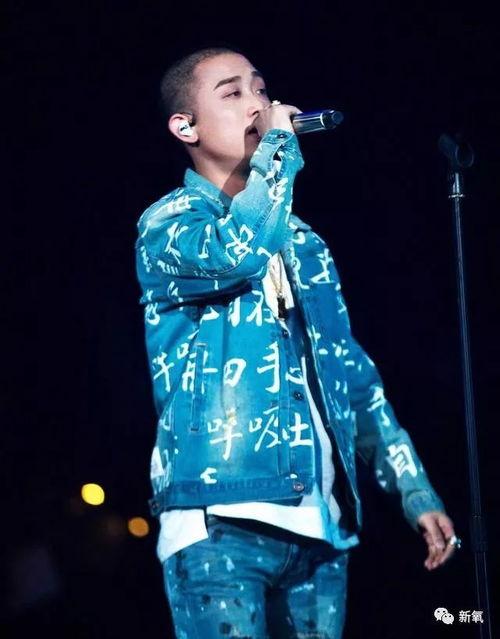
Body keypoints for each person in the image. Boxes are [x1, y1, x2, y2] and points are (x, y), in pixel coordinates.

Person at [134, 45, 460, 639]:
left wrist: (414, 490)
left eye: (261, 89)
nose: (258, 104)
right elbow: (237, 252)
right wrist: (279, 150)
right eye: (233, 93)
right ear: (185, 126)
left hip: (320, 530)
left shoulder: (306, 245)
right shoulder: (168, 224)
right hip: (220, 522)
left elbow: (352, 378)